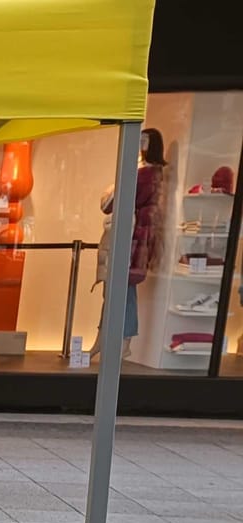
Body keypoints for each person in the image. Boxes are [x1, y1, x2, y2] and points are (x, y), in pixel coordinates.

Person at [92, 127, 165, 361]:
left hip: (133, 239)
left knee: (124, 291)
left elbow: (111, 203)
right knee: (117, 291)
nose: (140, 143)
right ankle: (105, 341)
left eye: (144, 140)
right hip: (133, 236)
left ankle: (122, 342)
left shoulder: (146, 174)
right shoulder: (146, 173)